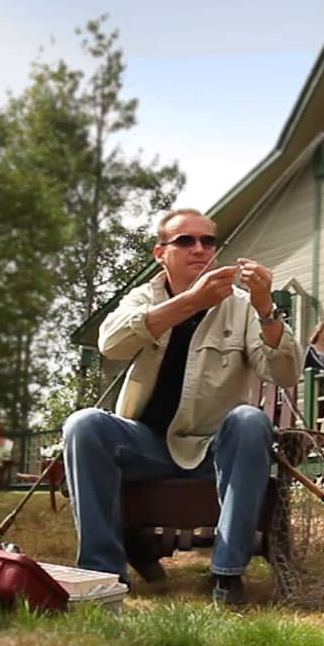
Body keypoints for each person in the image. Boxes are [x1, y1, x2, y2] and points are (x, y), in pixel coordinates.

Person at [61, 208, 302, 605]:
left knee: (249, 420)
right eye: (186, 241)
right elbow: (111, 344)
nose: (199, 249)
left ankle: (227, 576)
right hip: (145, 446)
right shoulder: (144, 297)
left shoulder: (241, 306)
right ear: (161, 254)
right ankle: (102, 573)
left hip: (212, 449)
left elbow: (286, 371)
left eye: (208, 241)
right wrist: (189, 302)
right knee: (83, 424)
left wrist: (266, 310)